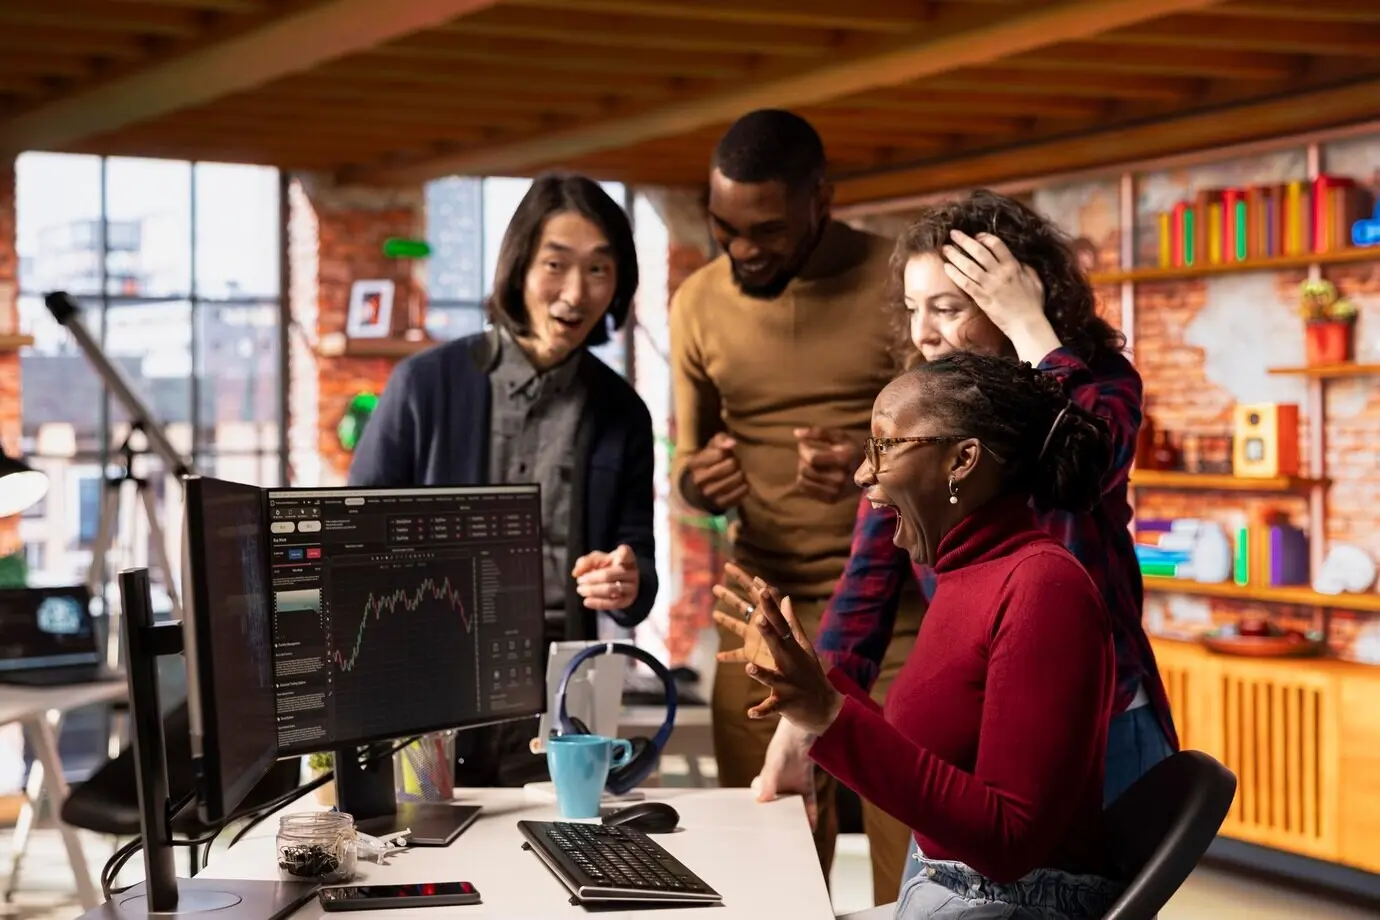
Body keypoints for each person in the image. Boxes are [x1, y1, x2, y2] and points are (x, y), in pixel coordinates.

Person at [744, 190, 1177, 889]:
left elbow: (1084, 465)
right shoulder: (923, 414)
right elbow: (865, 589)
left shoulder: (1096, 386)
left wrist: (1031, 325)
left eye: (948, 308)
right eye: (913, 308)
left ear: (1010, 300)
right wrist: (800, 726)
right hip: (975, 726)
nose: (924, 332)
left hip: (1102, 722)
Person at [717, 352, 1127, 919]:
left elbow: (1010, 841)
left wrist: (829, 716)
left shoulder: (1043, 588)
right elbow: (930, 762)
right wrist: (815, 685)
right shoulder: (965, 572)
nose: (863, 474)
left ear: (962, 460)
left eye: (884, 446)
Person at [669, 108, 923, 897]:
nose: (744, 249)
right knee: (765, 862)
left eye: (768, 230)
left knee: (915, 862)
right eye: (726, 229)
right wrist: (698, 482)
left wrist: (873, 466)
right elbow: (686, 463)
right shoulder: (698, 301)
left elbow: (958, 441)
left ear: (823, 200)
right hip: (761, 607)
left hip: (899, 609)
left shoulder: (898, 284)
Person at [349, 171, 657, 786]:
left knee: (558, 837)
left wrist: (627, 581)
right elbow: (353, 544)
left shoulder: (623, 413)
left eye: (599, 269)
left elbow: (638, 562)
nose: (576, 292)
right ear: (519, 267)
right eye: (555, 265)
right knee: (426, 837)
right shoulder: (425, 386)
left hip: (562, 682)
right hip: (428, 674)